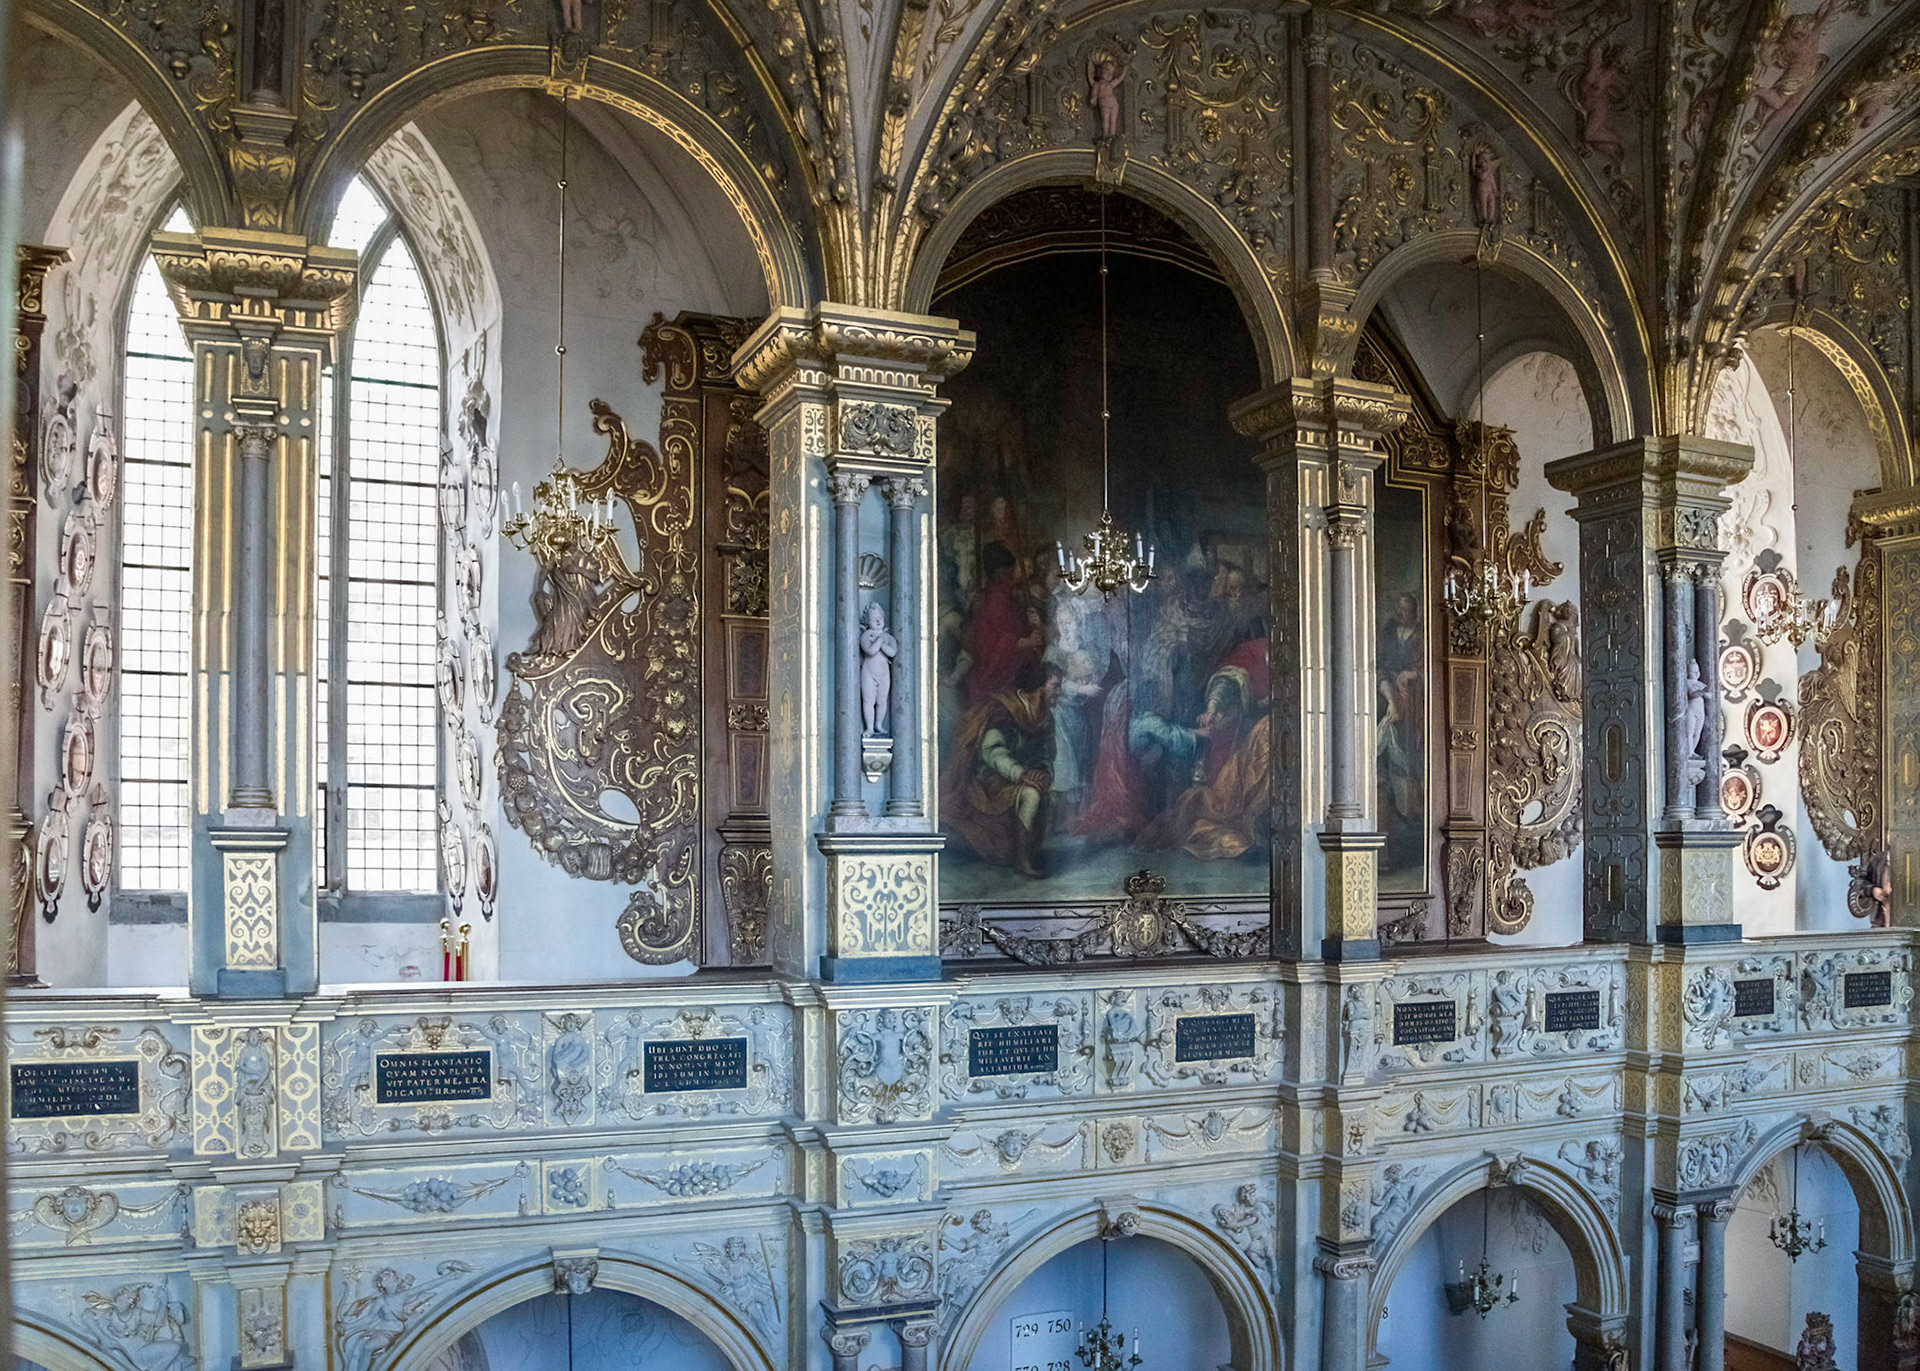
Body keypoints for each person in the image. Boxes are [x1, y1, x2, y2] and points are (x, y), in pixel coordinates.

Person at [940, 659, 1062, 878]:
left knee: (1037, 791)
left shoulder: (1044, 718)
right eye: (1055, 686)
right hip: (987, 778)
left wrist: (1041, 772)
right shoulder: (1005, 710)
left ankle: (1019, 850)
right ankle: (1022, 859)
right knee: (1031, 794)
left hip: (1018, 776)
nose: (1059, 692)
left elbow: (1046, 755)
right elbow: (991, 752)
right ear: (1039, 686)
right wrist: (1021, 774)